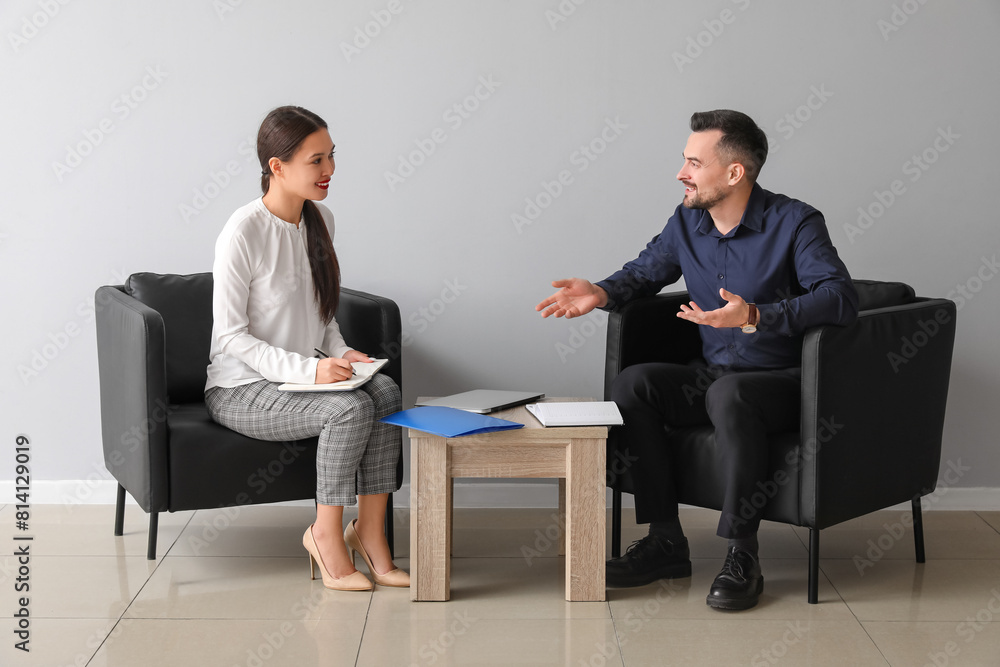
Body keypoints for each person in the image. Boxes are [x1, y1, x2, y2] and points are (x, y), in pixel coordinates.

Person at [536, 109, 857, 610]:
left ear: (734, 172)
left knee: (731, 393)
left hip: (785, 381)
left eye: (693, 162)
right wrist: (599, 291)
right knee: (633, 385)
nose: (681, 173)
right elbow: (645, 272)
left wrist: (754, 314)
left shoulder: (796, 222)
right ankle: (666, 541)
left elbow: (839, 298)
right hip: (715, 375)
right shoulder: (687, 220)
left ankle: (741, 555)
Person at [204, 106, 408, 591]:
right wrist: (311, 371)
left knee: (385, 393)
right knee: (348, 410)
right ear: (277, 166)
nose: (330, 171)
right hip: (241, 387)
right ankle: (324, 534)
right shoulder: (242, 231)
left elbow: (320, 309)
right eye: (316, 160)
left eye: (332, 157)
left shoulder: (321, 221)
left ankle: (370, 534)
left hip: (297, 377)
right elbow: (230, 335)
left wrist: (342, 351)